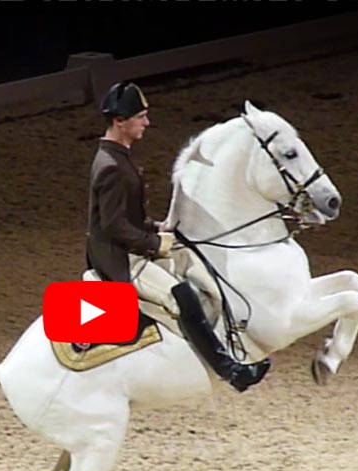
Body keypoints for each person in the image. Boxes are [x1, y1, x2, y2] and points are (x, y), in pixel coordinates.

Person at [86, 81, 269, 393]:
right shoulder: (112, 166)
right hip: (120, 259)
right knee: (181, 294)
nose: (147, 122)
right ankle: (230, 370)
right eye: (140, 117)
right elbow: (114, 225)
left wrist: (159, 228)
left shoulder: (120, 156)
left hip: (130, 246)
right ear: (120, 121)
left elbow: (128, 217)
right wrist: (155, 244)